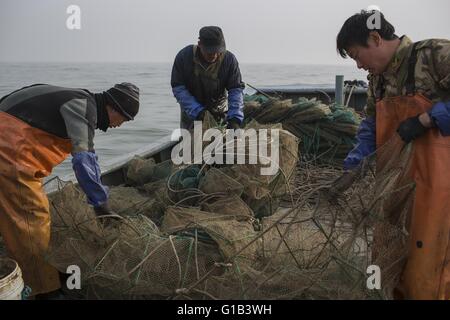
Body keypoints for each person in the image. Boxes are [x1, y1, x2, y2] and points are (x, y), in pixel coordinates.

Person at [335, 10, 450, 299]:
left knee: (428, 271)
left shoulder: (434, 55)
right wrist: (352, 168)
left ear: (375, 38)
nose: (359, 65)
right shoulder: (378, 81)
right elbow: (370, 127)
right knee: (387, 263)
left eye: (357, 55)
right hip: (393, 188)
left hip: (436, 190)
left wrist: (427, 119)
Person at [0, 82, 139, 298]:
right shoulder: (85, 107)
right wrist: (101, 204)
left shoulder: (77, 98)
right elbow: (84, 159)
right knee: (33, 217)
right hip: (10, 150)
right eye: (124, 118)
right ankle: (44, 289)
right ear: (113, 107)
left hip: (10, 139)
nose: (120, 125)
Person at [171, 26, 245, 129]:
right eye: (209, 52)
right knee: (190, 141)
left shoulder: (229, 60)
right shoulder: (184, 56)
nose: (214, 55)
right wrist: (198, 112)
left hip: (219, 110)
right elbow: (178, 88)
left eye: (217, 51)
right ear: (200, 44)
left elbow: (235, 89)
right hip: (192, 112)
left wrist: (235, 118)